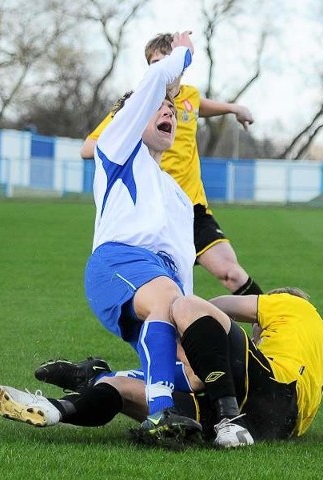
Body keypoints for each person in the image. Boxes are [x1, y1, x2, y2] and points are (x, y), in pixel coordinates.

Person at [0, 288, 323, 449]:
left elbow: (218, 306)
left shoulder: (291, 304)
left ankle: (229, 420)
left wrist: (189, 327)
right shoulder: (322, 346)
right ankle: (59, 408)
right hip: (275, 427)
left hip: (266, 392)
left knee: (184, 306)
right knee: (130, 393)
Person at [77, 30, 206, 441]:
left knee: (196, 374)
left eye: (172, 108)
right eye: (159, 108)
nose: (168, 112)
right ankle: (160, 416)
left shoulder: (178, 197)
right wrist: (182, 54)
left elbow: (183, 269)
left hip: (162, 282)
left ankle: (99, 378)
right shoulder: (118, 147)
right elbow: (152, 85)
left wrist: (189, 320)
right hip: (118, 263)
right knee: (166, 297)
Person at [80, 33, 262, 296]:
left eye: (165, 60)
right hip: (153, 212)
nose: (160, 68)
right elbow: (88, 147)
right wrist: (121, 145)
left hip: (191, 207)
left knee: (231, 273)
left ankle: (275, 321)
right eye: (153, 63)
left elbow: (199, 107)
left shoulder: (189, 98)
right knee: (166, 293)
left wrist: (234, 108)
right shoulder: (138, 105)